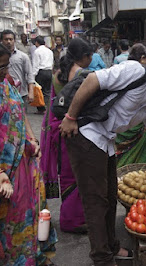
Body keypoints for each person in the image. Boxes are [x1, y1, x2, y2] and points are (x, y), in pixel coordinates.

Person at [59, 54, 146, 265]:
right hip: (86, 134)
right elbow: (93, 80)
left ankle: (111, 246)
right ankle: (102, 258)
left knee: (109, 197)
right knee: (96, 202)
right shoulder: (136, 71)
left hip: (104, 141)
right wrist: (70, 117)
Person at [0, 42, 57, 265]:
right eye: (1, 68)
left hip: (23, 162)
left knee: (30, 211)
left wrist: (32, 140)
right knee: (11, 219)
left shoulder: (7, 84)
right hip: (6, 173)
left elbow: (20, 115)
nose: (4, 72)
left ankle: (32, 255)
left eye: (5, 67)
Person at [40, 38, 93, 233]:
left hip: (57, 130)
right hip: (73, 129)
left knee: (67, 175)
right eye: (91, 55)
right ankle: (72, 220)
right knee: (78, 176)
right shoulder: (83, 75)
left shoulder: (57, 75)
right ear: (85, 57)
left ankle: (71, 216)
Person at [115, 43, 146, 167]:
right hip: (138, 122)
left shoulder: (121, 68)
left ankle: (122, 172)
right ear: (143, 57)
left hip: (121, 120)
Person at [1, 29, 35, 110]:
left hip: (20, 94)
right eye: (6, 39)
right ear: (2, 41)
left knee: (21, 118)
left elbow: (30, 74)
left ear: (14, 41)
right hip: (3, 93)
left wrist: (31, 91)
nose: (8, 42)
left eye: (11, 39)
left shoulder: (23, 56)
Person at [32, 36, 54, 114]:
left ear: (37, 43)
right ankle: (48, 108)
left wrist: (33, 76)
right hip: (49, 71)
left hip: (41, 72)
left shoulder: (37, 51)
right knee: (47, 91)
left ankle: (41, 108)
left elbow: (36, 64)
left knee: (39, 90)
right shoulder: (49, 51)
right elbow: (52, 62)